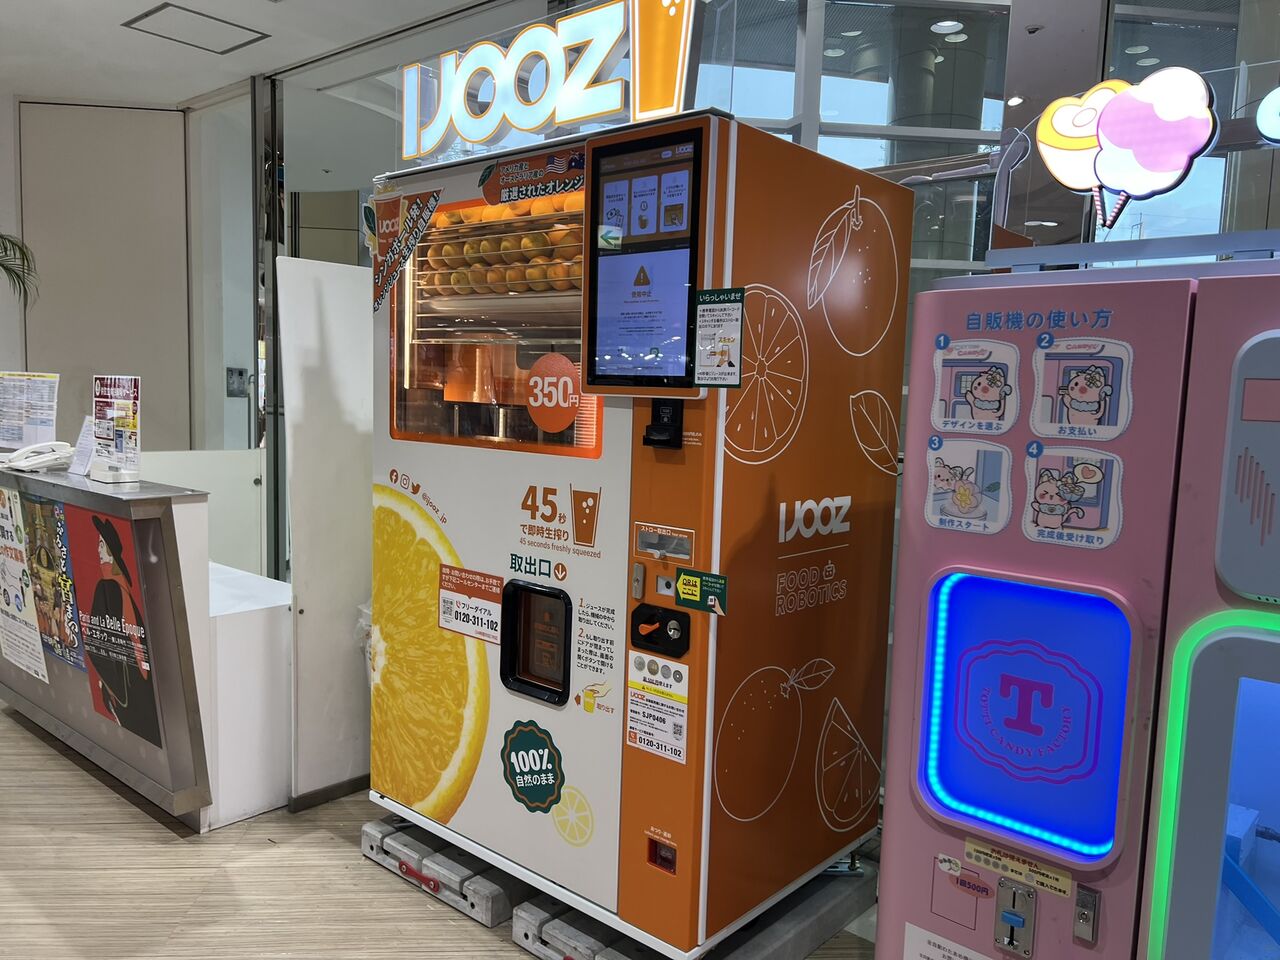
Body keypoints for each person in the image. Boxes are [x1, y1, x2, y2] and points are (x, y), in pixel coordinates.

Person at [85, 516, 160, 746]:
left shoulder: (110, 586)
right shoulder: (118, 587)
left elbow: (96, 641)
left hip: (129, 683)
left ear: (110, 551)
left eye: (101, 545)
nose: (98, 550)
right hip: (134, 682)